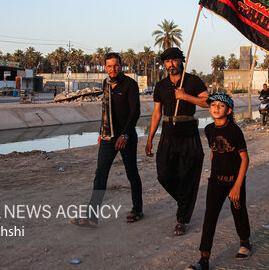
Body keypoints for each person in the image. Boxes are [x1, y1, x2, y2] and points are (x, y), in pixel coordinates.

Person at [70, 52, 142, 228]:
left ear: (121, 66)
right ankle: (91, 218)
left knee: (132, 173)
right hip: (108, 137)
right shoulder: (106, 84)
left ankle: (137, 209)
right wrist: (101, 132)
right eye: (109, 66)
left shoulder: (130, 85)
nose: (112, 69)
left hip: (126, 137)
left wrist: (125, 135)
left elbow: (135, 112)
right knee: (100, 176)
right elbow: (106, 110)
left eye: (115, 65)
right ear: (105, 67)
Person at [146, 47, 209, 236]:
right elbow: (157, 113)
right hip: (167, 136)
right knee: (163, 175)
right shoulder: (161, 86)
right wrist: (149, 138)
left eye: (174, 60)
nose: (171, 64)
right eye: (167, 62)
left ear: (181, 61)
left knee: (188, 176)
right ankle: (185, 201)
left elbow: (208, 102)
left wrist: (186, 96)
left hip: (189, 134)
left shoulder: (193, 81)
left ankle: (182, 219)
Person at [185, 93, 251, 270]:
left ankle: (245, 243)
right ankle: (204, 259)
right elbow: (214, 152)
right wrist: (213, 175)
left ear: (228, 110)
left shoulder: (235, 131)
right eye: (213, 105)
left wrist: (237, 185)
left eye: (220, 106)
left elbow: (244, 159)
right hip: (216, 182)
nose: (215, 108)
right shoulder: (209, 130)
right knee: (210, 218)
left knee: (238, 211)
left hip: (234, 181)